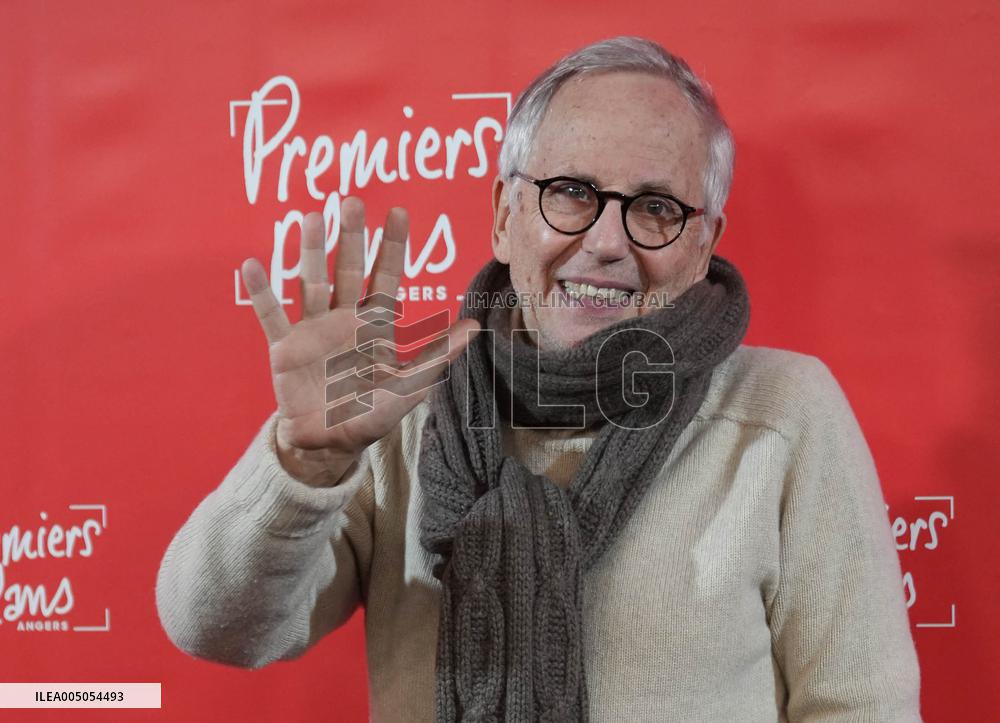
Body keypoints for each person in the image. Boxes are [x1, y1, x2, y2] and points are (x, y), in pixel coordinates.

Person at [156, 36, 922, 722]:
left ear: (702, 245)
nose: (608, 241)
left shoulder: (784, 410)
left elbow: (863, 707)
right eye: (572, 193)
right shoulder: (393, 412)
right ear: (504, 214)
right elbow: (216, 625)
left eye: (656, 208)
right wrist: (307, 462)